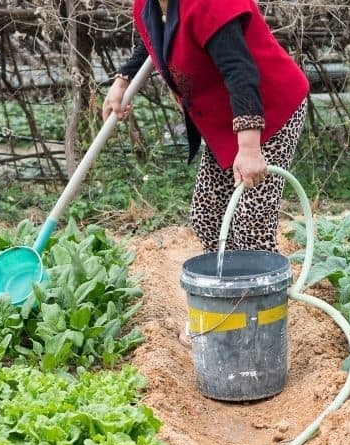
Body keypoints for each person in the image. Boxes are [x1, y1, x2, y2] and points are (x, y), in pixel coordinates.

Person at [102, 0, 309, 255]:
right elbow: (155, 37)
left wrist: (249, 148)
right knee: (207, 217)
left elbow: (239, 71)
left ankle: (260, 290)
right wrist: (123, 80)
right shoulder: (150, 4)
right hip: (224, 121)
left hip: (269, 110)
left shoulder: (208, 3)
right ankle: (228, 285)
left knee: (251, 224)